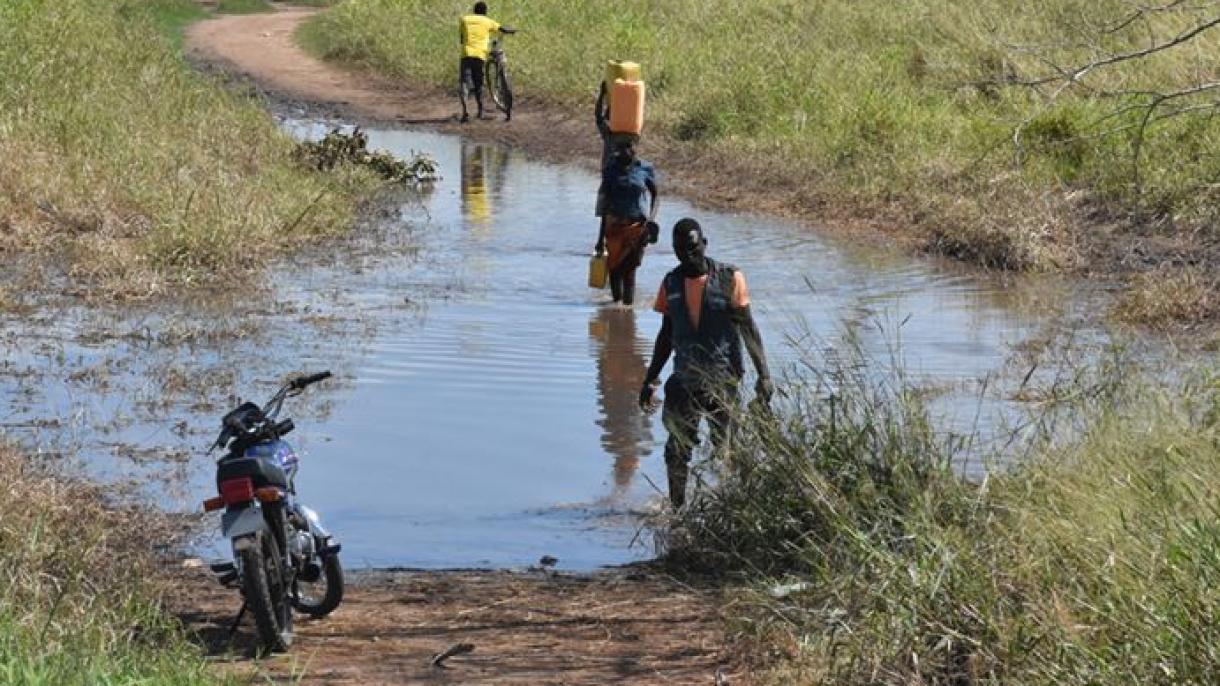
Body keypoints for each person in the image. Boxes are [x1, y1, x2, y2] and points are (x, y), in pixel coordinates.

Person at [638, 218, 773, 508]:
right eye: (680, 250)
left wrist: (765, 376)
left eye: (692, 248)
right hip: (684, 381)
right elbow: (666, 334)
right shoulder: (671, 282)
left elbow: (748, 328)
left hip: (723, 380)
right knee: (676, 450)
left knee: (727, 450)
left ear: (704, 244)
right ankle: (677, 513)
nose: (687, 256)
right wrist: (649, 379)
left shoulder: (729, 278)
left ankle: (734, 509)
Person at [593, 139, 658, 305]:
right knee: (614, 270)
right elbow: (605, 205)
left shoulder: (644, 169)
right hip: (614, 227)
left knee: (629, 270)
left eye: (628, 146)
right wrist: (600, 239)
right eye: (620, 147)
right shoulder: (610, 171)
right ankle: (618, 311)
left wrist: (651, 220)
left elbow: (656, 195)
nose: (624, 151)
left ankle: (627, 308)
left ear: (635, 147)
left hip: (637, 228)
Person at [458, 2, 515, 123]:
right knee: (479, 83)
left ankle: (465, 112)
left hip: (466, 54)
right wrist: (511, 31)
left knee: (464, 83)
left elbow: (462, 39)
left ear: (474, 11)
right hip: (480, 55)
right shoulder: (487, 21)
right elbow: (502, 29)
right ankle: (480, 110)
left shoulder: (464, 19)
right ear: (485, 12)